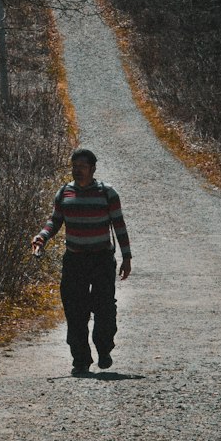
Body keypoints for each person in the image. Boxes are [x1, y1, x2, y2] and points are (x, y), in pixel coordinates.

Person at [32, 147, 132, 375]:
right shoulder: (64, 193)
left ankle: (104, 349)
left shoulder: (107, 193)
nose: (77, 171)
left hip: (102, 260)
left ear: (93, 169)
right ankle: (80, 359)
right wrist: (41, 237)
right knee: (75, 311)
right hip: (74, 260)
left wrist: (126, 257)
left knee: (104, 308)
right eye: (74, 167)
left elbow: (119, 225)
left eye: (82, 167)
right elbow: (55, 221)